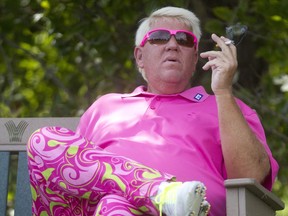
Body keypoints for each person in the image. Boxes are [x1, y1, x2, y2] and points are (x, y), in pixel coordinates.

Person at [27, 6, 279, 216]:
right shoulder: (105, 106)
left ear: (194, 59)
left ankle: (164, 198)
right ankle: (162, 193)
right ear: (139, 56)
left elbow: (251, 177)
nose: (172, 45)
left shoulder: (226, 107)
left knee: (114, 206)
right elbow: (71, 174)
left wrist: (223, 91)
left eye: (183, 39)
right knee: (42, 140)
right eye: (159, 37)